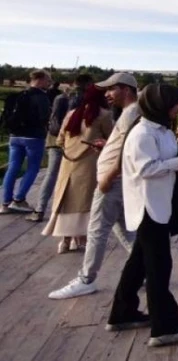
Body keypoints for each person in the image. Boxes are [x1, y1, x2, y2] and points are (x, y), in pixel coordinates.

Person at [106, 84, 178, 347]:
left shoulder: (161, 131)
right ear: (161, 105)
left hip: (158, 204)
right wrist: (176, 162)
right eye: (175, 103)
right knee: (159, 268)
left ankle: (122, 312)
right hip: (148, 207)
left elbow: (164, 163)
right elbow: (145, 168)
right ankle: (164, 325)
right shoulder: (142, 135)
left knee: (138, 263)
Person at [49, 73, 141, 300]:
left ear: (126, 89)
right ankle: (146, 270)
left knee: (97, 230)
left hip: (111, 180)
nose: (107, 94)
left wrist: (108, 177)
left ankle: (86, 279)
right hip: (114, 179)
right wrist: (107, 146)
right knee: (124, 230)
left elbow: (129, 150)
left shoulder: (131, 114)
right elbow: (121, 144)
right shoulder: (128, 113)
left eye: (111, 89)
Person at [44, 85, 113, 252]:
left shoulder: (71, 114)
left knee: (65, 200)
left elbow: (60, 140)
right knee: (84, 201)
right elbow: (112, 140)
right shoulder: (104, 115)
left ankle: (64, 240)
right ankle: (81, 238)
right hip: (89, 163)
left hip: (68, 164)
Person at [29, 74, 96, 222]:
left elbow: (53, 121)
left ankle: (40, 209)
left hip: (56, 141)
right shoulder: (88, 101)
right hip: (77, 144)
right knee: (78, 178)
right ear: (88, 85)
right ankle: (73, 214)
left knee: (51, 175)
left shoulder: (61, 98)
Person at [2, 70, 53, 214]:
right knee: (33, 168)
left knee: (12, 168)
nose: (49, 83)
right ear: (41, 79)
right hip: (34, 137)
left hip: (15, 136)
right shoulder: (41, 97)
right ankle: (19, 200)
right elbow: (44, 118)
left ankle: (5, 203)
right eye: (48, 80)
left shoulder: (19, 95)